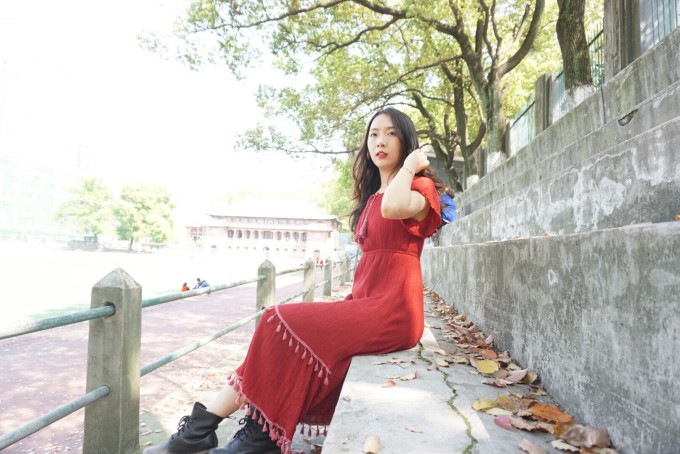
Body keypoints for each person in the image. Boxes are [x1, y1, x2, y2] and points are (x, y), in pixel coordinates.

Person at [143, 108, 448, 454]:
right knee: (277, 335)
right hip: (365, 304)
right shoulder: (373, 197)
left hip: (394, 311)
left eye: (391, 133)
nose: (380, 141)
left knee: (276, 319)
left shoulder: (419, 187)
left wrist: (410, 166)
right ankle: (208, 429)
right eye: (374, 134)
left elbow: (393, 208)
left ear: (406, 141)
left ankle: (252, 436)